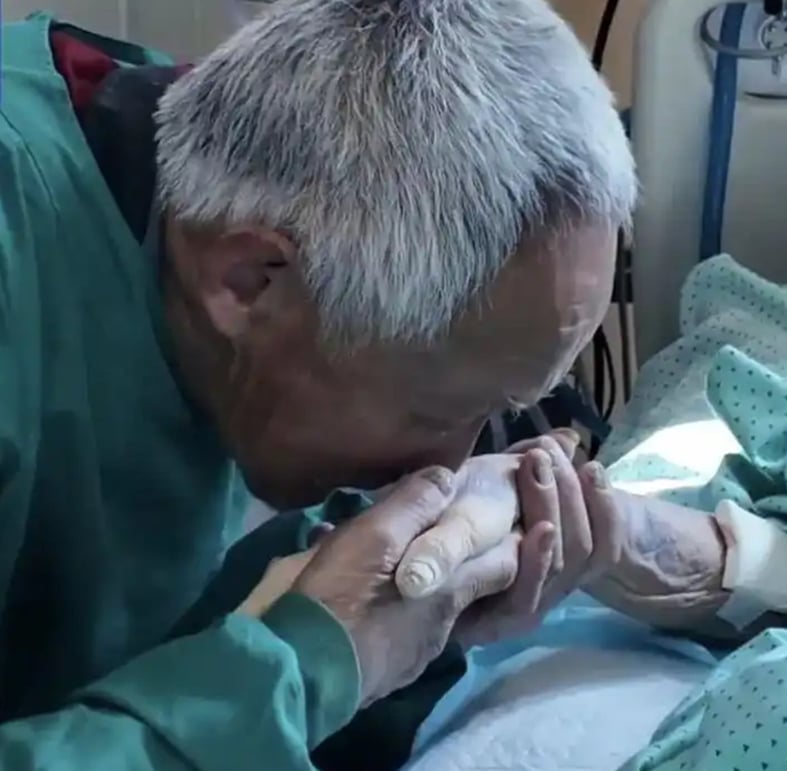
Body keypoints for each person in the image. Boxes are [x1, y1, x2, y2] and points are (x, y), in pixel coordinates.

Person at [0, 0, 639, 768]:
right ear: (248, 281)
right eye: (436, 410)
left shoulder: (249, 195)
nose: (443, 468)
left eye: (503, 411)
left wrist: (423, 627)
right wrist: (310, 667)